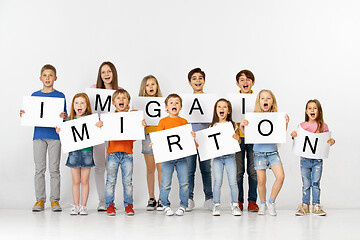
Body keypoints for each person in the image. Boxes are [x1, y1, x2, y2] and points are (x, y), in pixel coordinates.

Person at [20, 64, 67, 212]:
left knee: (54, 169)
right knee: (39, 169)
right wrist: (24, 114)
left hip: (55, 137)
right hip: (39, 136)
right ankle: (40, 200)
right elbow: (31, 114)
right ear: (40, 78)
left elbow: (65, 117)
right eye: (45, 75)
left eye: (50, 75)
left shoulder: (60, 96)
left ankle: (55, 201)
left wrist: (64, 116)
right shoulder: (34, 96)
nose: (48, 78)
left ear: (55, 78)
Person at [240, 89, 289, 216]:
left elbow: (280, 135)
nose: (265, 100)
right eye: (262, 98)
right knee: (261, 181)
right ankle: (262, 204)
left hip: (273, 152)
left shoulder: (276, 116)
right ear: (259, 101)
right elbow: (249, 136)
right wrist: (242, 127)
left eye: (268, 98)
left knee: (280, 177)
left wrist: (286, 123)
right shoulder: (253, 116)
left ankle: (271, 202)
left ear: (272, 102)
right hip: (259, 153)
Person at [98, 89, 145, 216]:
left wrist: (140, 126)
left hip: (127, 154)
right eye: (118, 98)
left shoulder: (132, 117)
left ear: (128, 102)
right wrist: (100, 125)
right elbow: (102, 133)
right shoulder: (109, 117)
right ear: (113, 102)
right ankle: (109, 205)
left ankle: (129, 205)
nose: (121, 100)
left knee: (127, 182)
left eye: (124, 98)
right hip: (112, 153)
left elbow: (134, 137)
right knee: (110, 181)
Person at [291, 99, 335, 216]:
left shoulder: (323, 126)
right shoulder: (302, 126)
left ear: (319, 111)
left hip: (317, 160)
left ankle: (316, 205)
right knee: (306, 183)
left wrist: (331, 141)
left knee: (315, 182)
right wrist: (294, 135)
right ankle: (304, 206)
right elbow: (298, 140)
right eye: (310, 108)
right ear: (306, 111)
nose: (312, 110)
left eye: (315, 108)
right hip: (305, 159)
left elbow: (326, 141)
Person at [56, 93, 97, 215]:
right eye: (77, 103)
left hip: (87, 151)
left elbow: (98, 131)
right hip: (73, 152)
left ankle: (83, 206)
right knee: (76, 181)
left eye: (82, 103)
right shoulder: (69, 120)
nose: (79, 105)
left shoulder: (91, 119)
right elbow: (64, 134)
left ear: (87, 106)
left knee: (85, 180)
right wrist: (60, 131)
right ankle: (76, 205)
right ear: (73, 105)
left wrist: (99, 125)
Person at [156, 94, 194, 216]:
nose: (174, 104)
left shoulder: (184, 121)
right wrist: (154, 143)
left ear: (181, 107)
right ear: (166, 107)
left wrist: (192, 137)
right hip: (168, 159)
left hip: (182, 158)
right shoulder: (162, 122)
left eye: (177, 102)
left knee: (184, 183)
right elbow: (159, 139)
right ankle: (165, 204)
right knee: (166, 183)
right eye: (171, 103)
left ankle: (183, 204)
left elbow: (188, 141)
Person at [91, 61, 122, 211]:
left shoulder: (120, 91)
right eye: (103, 72)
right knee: (99, 167)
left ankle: (111, 200)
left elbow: (126, 112)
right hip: (98, 132)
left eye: (109, 71)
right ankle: (102, 200)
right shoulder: (93, 90)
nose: (106, 75)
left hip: (114, 133)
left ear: (113, 73)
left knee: (112, 166)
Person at [208, 99, 242, 216]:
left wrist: (237, 138)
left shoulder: (232, 125)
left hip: (230, 157)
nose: (221, 109)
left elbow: (238, 142)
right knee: (217, 181)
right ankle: (216, 205)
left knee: (233, 182)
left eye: (224, 107)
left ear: (229, 111)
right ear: (215, 110)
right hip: (217, 158)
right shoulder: (212, 125)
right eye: (219, 107)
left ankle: (234, 205)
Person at [186, 67, 213, 211]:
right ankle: (189, 198)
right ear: (189, 82)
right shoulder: (185, 101)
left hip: (205, 138)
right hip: (190, 139)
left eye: (200, 78)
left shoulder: (209, 100)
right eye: (194, 78)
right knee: (189, 170)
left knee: (206, 169)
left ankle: (209, 198)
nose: (197, 81)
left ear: (204, 81)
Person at [138, 75, 164, 211]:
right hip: (147, 136)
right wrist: (139, 122)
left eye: (153, 84)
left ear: (157, 86)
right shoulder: (140, 104)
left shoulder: (163, 102)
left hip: (160, 136)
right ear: (144, 88)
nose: (151, 87)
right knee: (150, 168)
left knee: (161, 168)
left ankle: (161, 198)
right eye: (147, 85)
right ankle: (151, 197)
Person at [234, 70, 259, 212]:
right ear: (237, 83)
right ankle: (238, 200)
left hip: (254, 139)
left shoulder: (258, 99)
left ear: (253, 82)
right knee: (238, 171)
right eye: (242, 80)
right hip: (238, 139)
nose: (245, 82)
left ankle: (252, 201)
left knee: (253, 171)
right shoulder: (233, 99)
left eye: (248, 79)